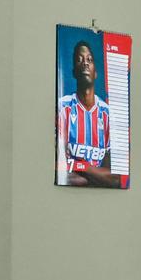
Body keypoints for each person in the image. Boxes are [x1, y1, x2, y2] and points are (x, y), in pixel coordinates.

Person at [58, 38, 124, 188]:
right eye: (79, 60)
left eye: (89, 59)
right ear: (74, 72)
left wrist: (83, 167)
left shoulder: (108, 114)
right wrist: (96, 175)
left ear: (95, 73)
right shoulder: (63, 107)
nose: (85, 63)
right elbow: (59, 172)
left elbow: (115, 179)